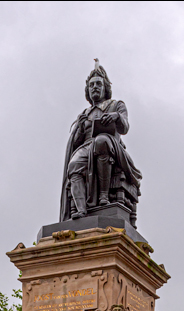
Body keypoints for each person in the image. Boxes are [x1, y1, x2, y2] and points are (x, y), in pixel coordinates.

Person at [60, 61, 142, 222]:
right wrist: (80, 129)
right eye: (91, 85)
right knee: (74, 164)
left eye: (98, 84)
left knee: (101, 141)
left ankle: (104, 197)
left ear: (105, 88)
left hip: (111, 145)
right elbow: (76, 142)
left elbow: (124, 128)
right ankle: (81, 210)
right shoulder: (85, 113)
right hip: (86, 147)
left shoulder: (116, 105)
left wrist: (116, 116)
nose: (94, 87)